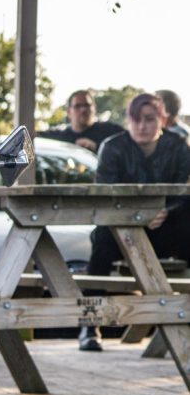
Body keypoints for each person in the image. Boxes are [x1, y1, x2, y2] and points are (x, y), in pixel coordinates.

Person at [79, 92, 190, 351]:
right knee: (102, 237)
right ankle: (89, 325)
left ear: (162, 120)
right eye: (136, 119)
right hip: (121, 231)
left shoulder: (178, 147)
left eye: (149, 119)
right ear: (128, 120)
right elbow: (105, 193)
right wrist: (137, 215)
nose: (142, 126)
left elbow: (183, 191)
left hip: (166, 228)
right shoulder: (112, 147)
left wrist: (167, 211)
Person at [37, 89, 122, 153]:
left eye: (87, 105)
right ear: (69, 112)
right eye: (77, 106)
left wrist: (97, 146)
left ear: (94, 108)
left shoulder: (111, 131)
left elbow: (127, 147)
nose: (83, 110)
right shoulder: (59, 137)